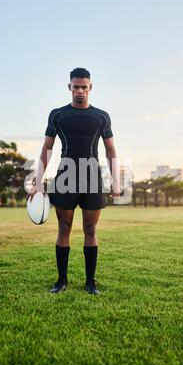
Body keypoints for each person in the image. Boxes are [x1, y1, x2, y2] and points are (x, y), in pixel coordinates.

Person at [27, 68, 120, 294]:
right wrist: (38, 181)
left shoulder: (101, 116)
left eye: (84, 87)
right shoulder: (58, 115)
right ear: (69, 87)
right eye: (76, 87)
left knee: (90, 229)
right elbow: (47, 148)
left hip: (92, 177)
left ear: (90, 88)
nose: (80, 91)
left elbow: (110, 150)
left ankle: (90, 282)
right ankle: (61, 281)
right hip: (65, 176)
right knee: (64, 228)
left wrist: (116, 181)